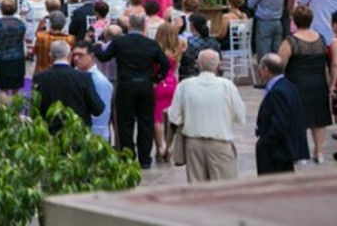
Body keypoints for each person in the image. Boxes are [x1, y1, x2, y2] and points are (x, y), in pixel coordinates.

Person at [94, 13, 170, 169]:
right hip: (145, 85)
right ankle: (145, 159)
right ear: (144, 26)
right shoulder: (151, 44)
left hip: (126, 85)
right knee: (146, 122)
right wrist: (156, 78)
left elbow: (103, 57)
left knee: (125, 123)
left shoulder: (120, 42)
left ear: (129, 26)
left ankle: (127, 157)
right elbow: (165, 64)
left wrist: (96, 46)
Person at [165, 49, 245, 182]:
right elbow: (240, 116)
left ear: (198, 64)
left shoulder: (185, 86)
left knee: (197, 189)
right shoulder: (227, 86)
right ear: (218, 64)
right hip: (220, 143)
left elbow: (174, 117)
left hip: (193, 144)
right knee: (223, 188)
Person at [278, 4, 333, 163]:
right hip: (318, 83)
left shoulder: (291, 41)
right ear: (311, 20)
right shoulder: (321, 39)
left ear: (295, 21)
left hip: (297, 83)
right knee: (319, 119)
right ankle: (319, 152)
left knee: (298, 119)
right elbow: (326, 63)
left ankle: (300, 153)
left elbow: (280, 64)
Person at [255, 53, 310, 174]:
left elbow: (280, 124)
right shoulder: (287, 85)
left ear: (266, 70)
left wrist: (264, 142)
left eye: (260, 68)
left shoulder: (278, 91)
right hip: (284, 149)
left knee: (272, 182)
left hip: (277, 151)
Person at [33, 40, 103, 132]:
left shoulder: (36, 78)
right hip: (77, 133)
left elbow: (27, 107)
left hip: (48, 133)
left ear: (50, 55)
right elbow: (98, 109)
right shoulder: (84, 78)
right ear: (69, 55)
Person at [152, 21, 185, 162]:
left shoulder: (155, 50)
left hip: (158, 84)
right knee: (171, 116)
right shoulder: (178, 49)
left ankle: (160, 145)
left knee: (157, 117)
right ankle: (170, 145)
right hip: (173, 84)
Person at [72, 40, 113, 142]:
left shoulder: (99, 80)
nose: (76, 58)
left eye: (80, 55)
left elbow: (102, 114)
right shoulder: (72, 75)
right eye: (74, 55)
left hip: (93, 136)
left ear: (92, 56)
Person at [248, 0, 287, 66]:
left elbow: (250, 3)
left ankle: (264, 70)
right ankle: (276, 69)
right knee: (276, 49)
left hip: (264, 22)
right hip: (278, 21)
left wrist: (257, 8)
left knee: (263, 51)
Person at [0, 0, 27, 98]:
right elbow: (23, 38)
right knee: (17, 88)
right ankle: (17, 108)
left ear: (1, 9)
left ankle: (4, 107)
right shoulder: (21, 23)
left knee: (3, 88)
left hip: (2, 58)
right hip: (18, 58)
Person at [33, 10, 75, 75]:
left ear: (50, 23)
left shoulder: (41, 37)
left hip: (42, 73)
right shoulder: (70, 39)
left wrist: (39, 27)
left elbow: (35, 52)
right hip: (62, 74)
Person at [179, 13, 219, 80]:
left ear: (192, 26)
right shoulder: (213, 41)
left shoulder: (189, 42)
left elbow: (185, 60)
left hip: (192, 74)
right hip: (212, 72)